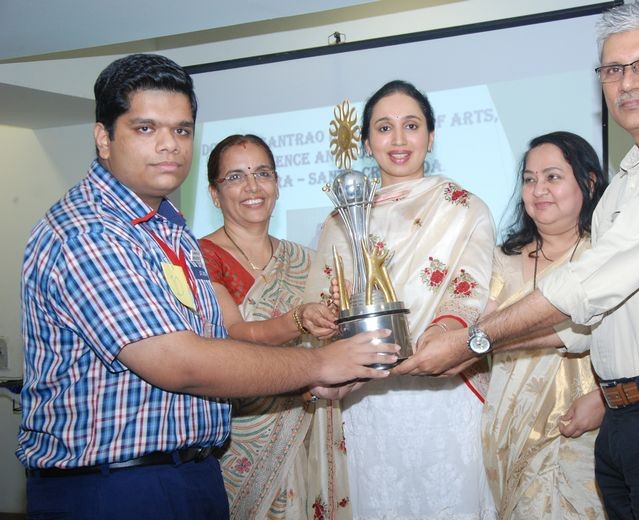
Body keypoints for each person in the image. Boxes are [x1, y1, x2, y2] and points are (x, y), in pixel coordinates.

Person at [397, 2, 639, 519]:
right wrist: (472, 350)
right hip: (626, 421)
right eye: (613, 70)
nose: (627, 83)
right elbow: (590, 324)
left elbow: (593, 281)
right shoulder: (626, 182)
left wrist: (475, 338)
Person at [17, 53, 396, 520]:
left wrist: (315, 378)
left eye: (181, 130)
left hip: (190, 475)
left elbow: (212, 347)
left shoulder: (166, 226)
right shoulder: (89, 231)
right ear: (103, 137)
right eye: (145, 128)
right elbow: (179, 362)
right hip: (114, 488)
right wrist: (318, 363)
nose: (169, 146)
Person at [303, 80, 497, 519]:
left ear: (431, 136)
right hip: (365, 397)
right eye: (384, 128)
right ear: (367, 142)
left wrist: (440, 338)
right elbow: (326, 297)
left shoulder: (463, 208)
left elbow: (470, 287)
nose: (398, 139)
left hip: (443, 388)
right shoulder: (341, 219)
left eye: (411, 126)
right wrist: (321, 316)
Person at [199, 134, 339, 518]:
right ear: (214, 194)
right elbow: (235, 333)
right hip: (244, 430)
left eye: (263, 173)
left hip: (308, 424)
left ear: (276, 184)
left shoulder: (307, 260)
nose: (252, 186)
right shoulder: (201, 257)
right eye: (235, 177)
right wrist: (298, 320)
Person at [482, 132, 608, 519]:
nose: (539, 190)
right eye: (530, 179)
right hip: (504, 431)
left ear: (587, 183)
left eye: (553, 177)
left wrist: (606, 400)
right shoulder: (500, 260)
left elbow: (628, 338)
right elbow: (478, 330)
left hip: (577, 430)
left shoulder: (604, 256)